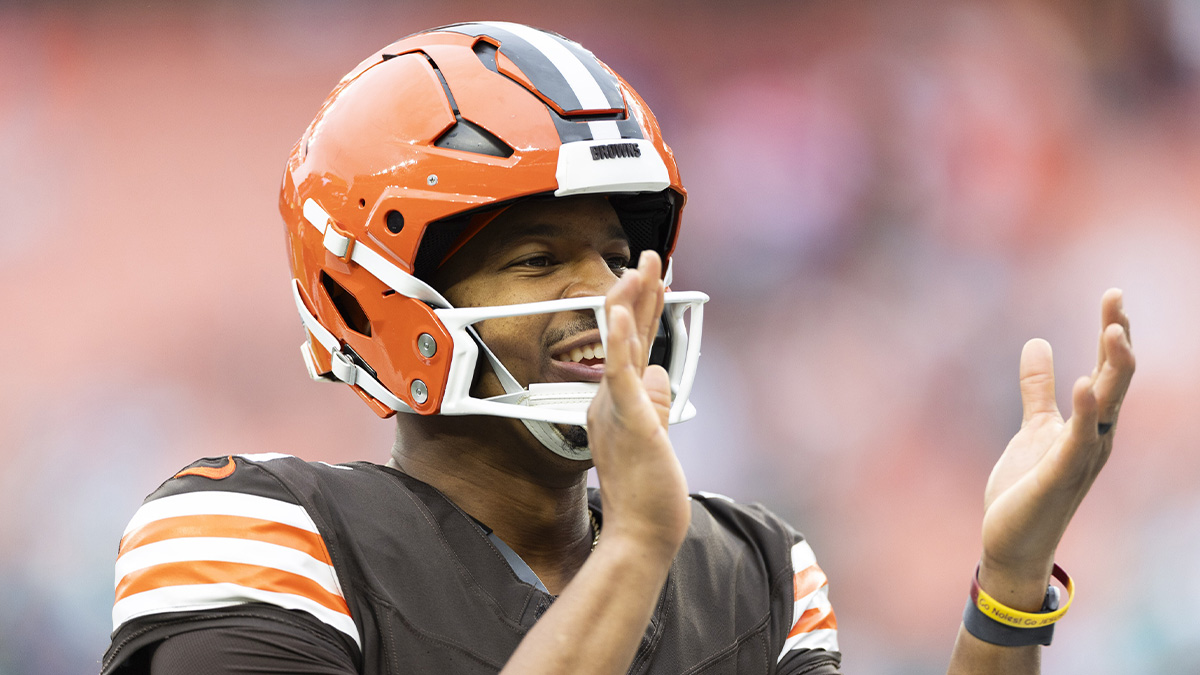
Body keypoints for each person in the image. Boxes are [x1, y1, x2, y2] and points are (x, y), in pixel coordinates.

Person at [101, 22, 1135, 675]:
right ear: (381, 296)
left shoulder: (753, 571)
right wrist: (635, 550)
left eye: (613, 253)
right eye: (540, 257)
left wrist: (1007, 590)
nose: (609, 298)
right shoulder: (253, 530)